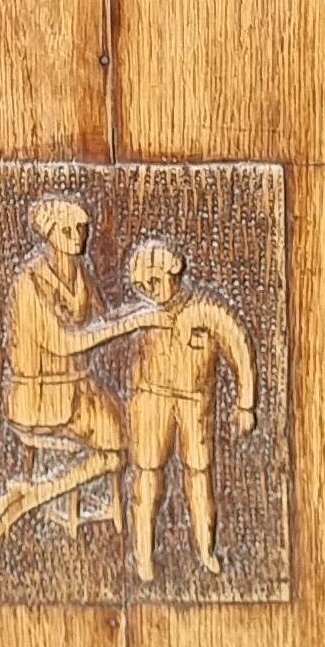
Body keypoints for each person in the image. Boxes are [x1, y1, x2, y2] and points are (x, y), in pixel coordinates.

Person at [0, 197, 154, 544]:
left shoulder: (80, 274)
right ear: (50, 234)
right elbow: (65, 342)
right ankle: (36, 495)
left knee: (126, 443)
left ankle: (35, 494)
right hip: (40, 396)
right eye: (68, 230)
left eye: (81, 228)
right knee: (114, 448)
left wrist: (145, 313)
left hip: (80, 391)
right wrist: (133, 322)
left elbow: (104, 319)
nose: (78, 236)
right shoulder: (29, 283)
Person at [120, 238, 256, 583]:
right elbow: (104, 332)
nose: (150, 291)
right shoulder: (141, 313)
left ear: (173, 270)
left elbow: (238, 345)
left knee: (198, 474)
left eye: (154, 281)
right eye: (142, 285)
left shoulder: (204, 309)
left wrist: (246, 403)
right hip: (149, 400)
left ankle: (206, 550)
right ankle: (143, 556)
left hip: (194, 401)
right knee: (146, 476)